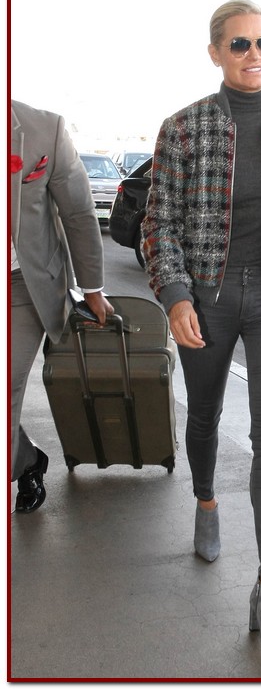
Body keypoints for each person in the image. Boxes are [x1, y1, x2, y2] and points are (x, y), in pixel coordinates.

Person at [141, 0, 261, 650]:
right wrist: (177, 295)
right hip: (210, 298)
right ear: (217, 52)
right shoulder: (185, 127)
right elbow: (158, 222)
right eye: (241, 44)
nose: (256, 54)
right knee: (205, 415)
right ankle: (205, 499)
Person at [11, 100, 114, 513]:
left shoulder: (44, 129)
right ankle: (27, 460)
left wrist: (92, 288)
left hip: (22, 285)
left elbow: (77, 212)